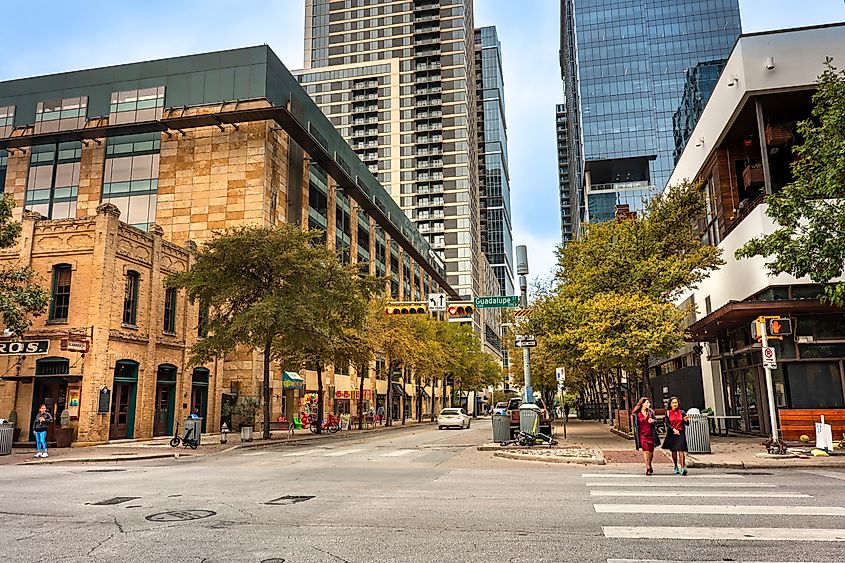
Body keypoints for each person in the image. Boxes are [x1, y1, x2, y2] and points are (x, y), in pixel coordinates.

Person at [631, 397, 660, 475]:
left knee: (651, 452)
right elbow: (635, 425)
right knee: (645, 451)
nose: (648, 404)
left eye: (649, 403)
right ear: (642, 404)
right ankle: (647, 467)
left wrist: (653, 421)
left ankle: (650, 465)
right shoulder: (637, 414)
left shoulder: (651, 412)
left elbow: (656, 422)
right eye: (647, 402)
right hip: (642, 435)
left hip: (651, 434)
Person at [662, 396, 689, 475]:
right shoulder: (668, 412)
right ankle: (675, 466)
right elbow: (667, 423)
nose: (675, 404)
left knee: (681, 449)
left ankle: (683, 467)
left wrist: (686, 420)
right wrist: (673, 429)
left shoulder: (682, 412)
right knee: (674, 450)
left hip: (680, 432)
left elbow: (687, 424)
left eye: (676, 402)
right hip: (672, 433)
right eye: (673, 403)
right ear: (670, 404)